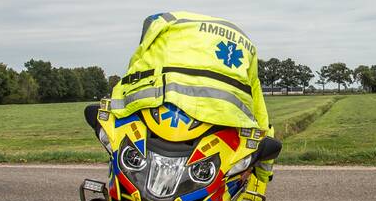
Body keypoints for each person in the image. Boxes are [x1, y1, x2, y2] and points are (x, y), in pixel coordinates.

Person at [85, 12, 276, 180]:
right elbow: (260, 113)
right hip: (220, 127)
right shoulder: (244, 46)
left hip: (167, 127)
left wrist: (112, 112)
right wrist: (263, 173)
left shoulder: (162, 30)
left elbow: (131, 80)